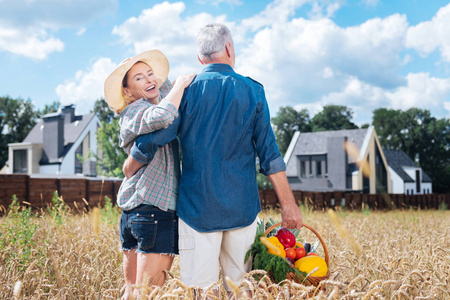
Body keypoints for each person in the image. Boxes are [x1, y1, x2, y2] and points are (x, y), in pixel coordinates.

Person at [122, 24, 303, 295]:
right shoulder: (253, 90)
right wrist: (288, 205)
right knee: (243, 292)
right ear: (229, 48)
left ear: (200, 58)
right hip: (242, 211)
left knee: (199, 293)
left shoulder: (186, 91)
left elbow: (159, 136)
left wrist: (131, 163)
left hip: (196, 211)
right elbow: (270, 154)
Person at [103, 49, 195, 299]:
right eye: (139, 78)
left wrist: (155, 77)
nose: (149, 80)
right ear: (128, 92)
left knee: (133, 293)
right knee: (149, 295)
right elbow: (165, 114)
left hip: (136, 214)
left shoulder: (152, 101)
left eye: (150, 74)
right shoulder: (134, 112)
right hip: (154, 211)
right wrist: (183, 81)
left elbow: (164, 90)